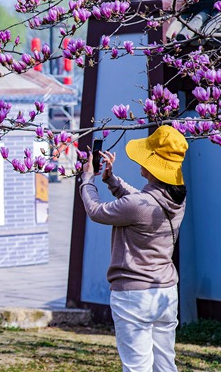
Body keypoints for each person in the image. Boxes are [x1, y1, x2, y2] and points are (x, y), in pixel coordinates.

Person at [79, 125, 188, 372]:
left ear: (152, 165)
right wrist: (112, 181)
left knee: (137, 367)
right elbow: (140, 201)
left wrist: (87, 181)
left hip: (133, 295)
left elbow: (96, 211)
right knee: (165, 364)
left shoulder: (139, 205)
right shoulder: (176, 200)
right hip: (165, 292)